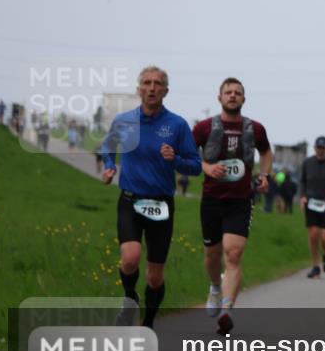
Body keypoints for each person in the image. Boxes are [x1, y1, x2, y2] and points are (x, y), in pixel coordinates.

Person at [100, 66, 202, 328]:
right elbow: (108, 147)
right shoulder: (124, 121)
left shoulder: (177, 125)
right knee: (131, 257)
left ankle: (148, 323)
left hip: (161, 205)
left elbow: (195, 165)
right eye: (147, 83)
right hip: (130, 200)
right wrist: (110, 165)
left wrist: (175, 159)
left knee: (155, 277)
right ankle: (129, 299)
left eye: (158, 83)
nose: (152, 87)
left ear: (166, 91)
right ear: (139, 89)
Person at [192, 77, 272, 335]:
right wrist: (206, 167)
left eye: (238, 92)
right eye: (228, 92)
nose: (233, 96)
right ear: (220, 97)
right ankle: (216, 287)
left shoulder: (255, 128)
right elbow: (189, 153)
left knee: (234, 253)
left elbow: (266, 152)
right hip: (212, 199)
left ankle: (227, 310)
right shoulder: (205, 127)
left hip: (241, 199)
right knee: (212, 256)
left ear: (244, 99)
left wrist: (265, 175)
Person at [299, 137, 325, 278]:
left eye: (323, 148)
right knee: (313, 235)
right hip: (311, 203)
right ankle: (316, 266)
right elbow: (302, 182)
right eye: (318, 148)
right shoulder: (307, 163)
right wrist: (303, 196)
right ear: (315, 148)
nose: (321, 150)